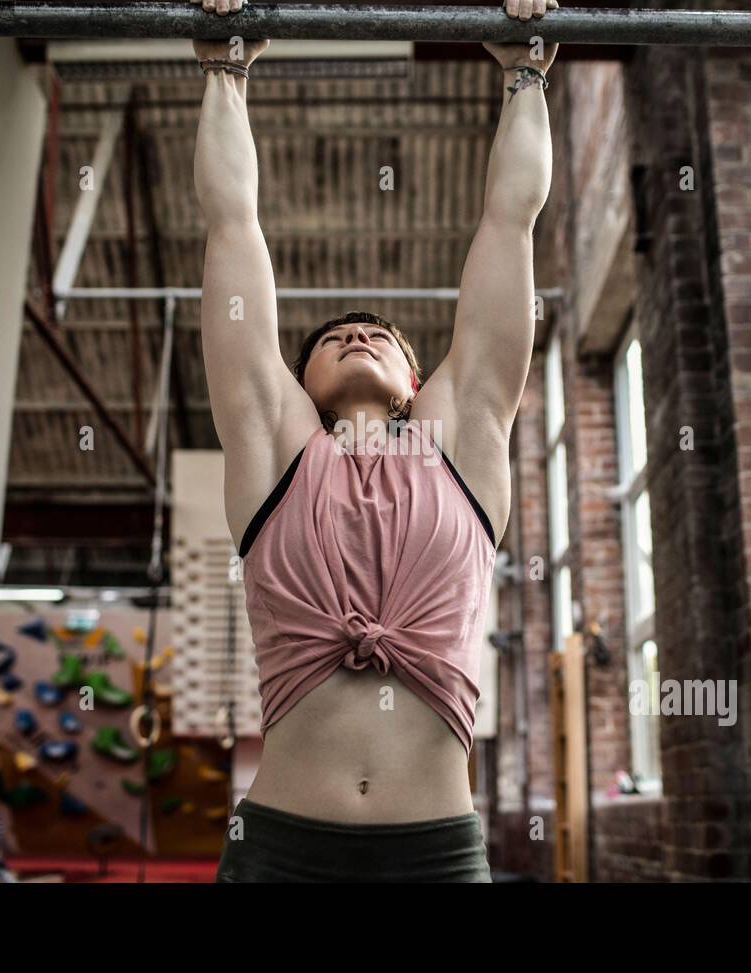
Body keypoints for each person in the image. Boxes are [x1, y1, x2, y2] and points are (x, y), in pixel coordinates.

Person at [193, 0, 557, 881]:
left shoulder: (461, 439)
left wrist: (526, 75)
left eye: (381, 336)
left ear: (419, 382)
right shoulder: (277, 451)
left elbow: (510, 223)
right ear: (298, 385)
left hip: (434, 852)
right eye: (330, 339)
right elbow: (232, 225)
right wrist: (224, 68)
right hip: (279, 846)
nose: (355, 336)